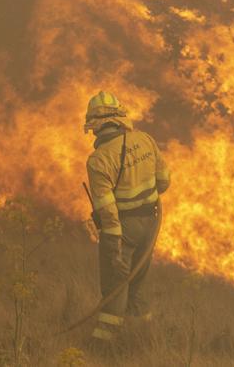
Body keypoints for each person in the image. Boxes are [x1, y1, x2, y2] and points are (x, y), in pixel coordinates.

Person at [84, 90, 169, 345]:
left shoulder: (98, 161)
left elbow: (108, 213)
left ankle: (103, 347)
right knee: (137, 284)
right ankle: (143, 340)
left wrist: (113, 249)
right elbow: (164, 182)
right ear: (120, 117)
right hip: (151, 224)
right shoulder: (145, 140)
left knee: (115, 286)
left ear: (95, 125)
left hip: (123, 229)